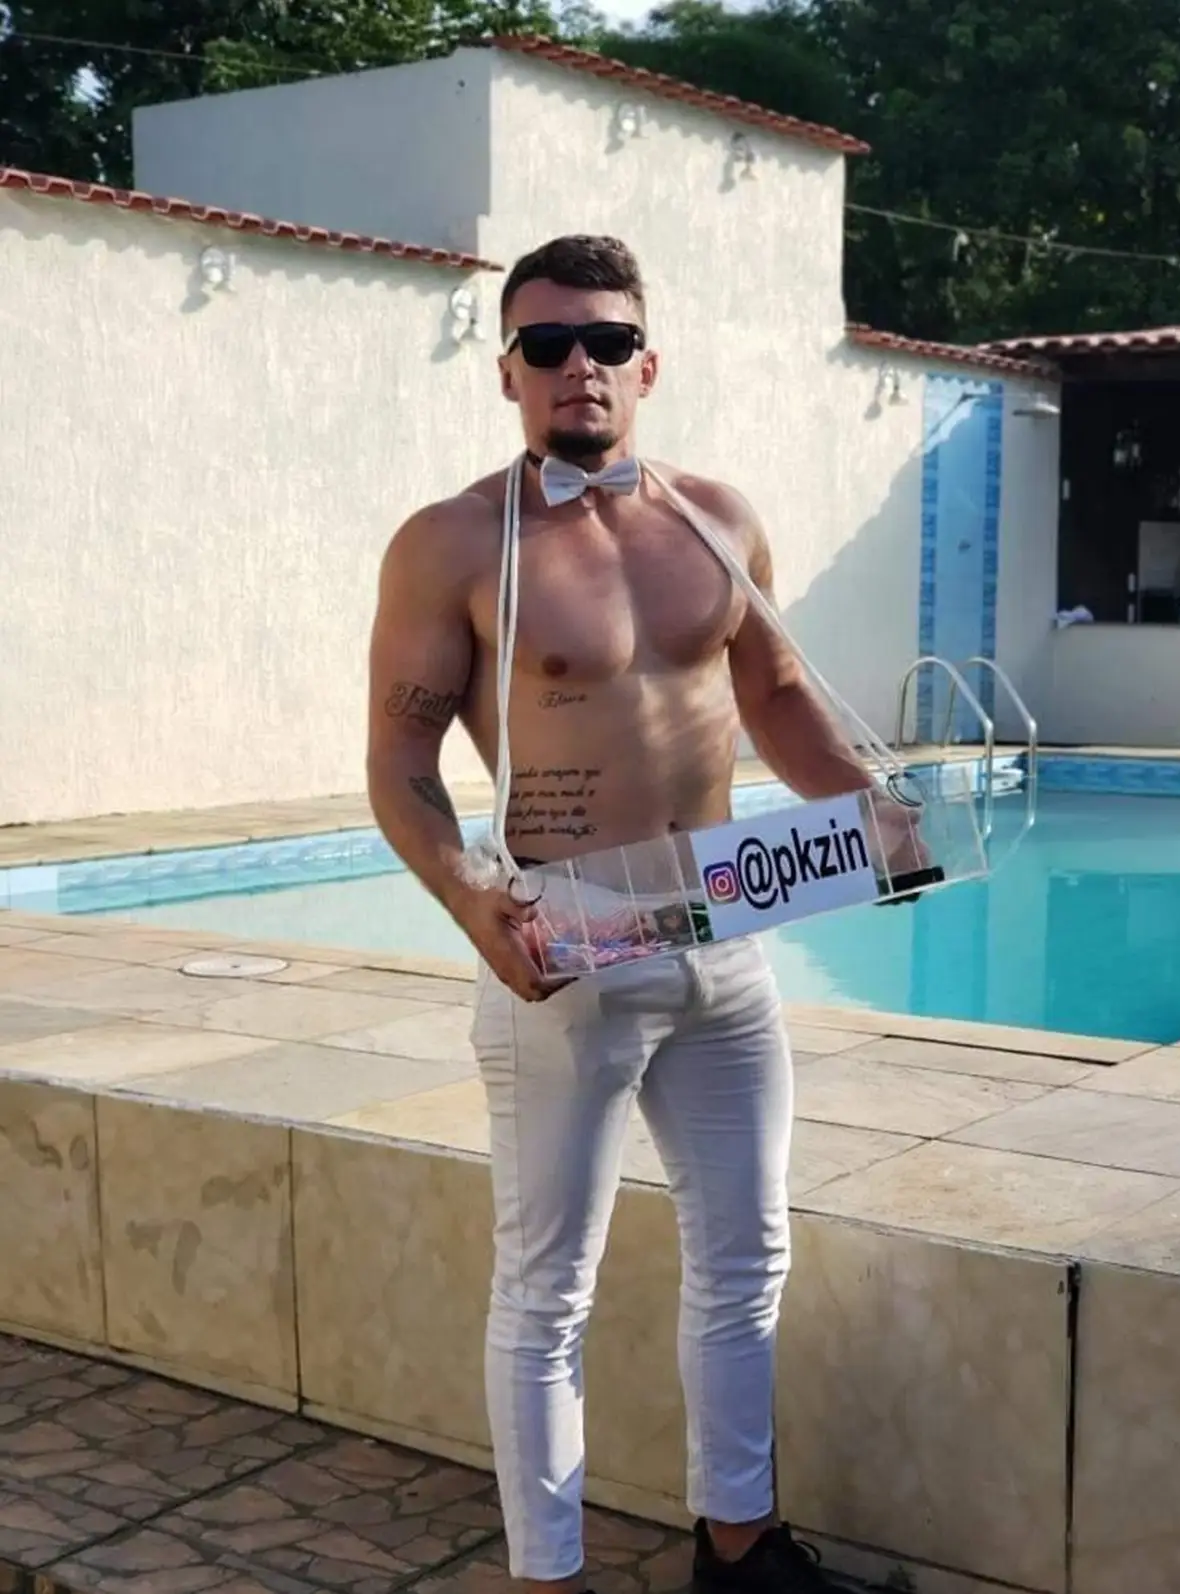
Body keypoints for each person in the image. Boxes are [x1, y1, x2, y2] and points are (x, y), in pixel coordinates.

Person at [366, 234, 911, 1594]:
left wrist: (879, 812)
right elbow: (399, 759)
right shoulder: (452, 543)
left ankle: (738, 1548)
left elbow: (777, 697)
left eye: (605, 341)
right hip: (567, 937)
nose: (579, 366)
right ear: (507, 371)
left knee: (747, 1252)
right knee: (547, 1286)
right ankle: (546, 1577)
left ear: (645, 365)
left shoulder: (716, 519)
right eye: (546, 343)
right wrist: (472, 900)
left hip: (723, 919)